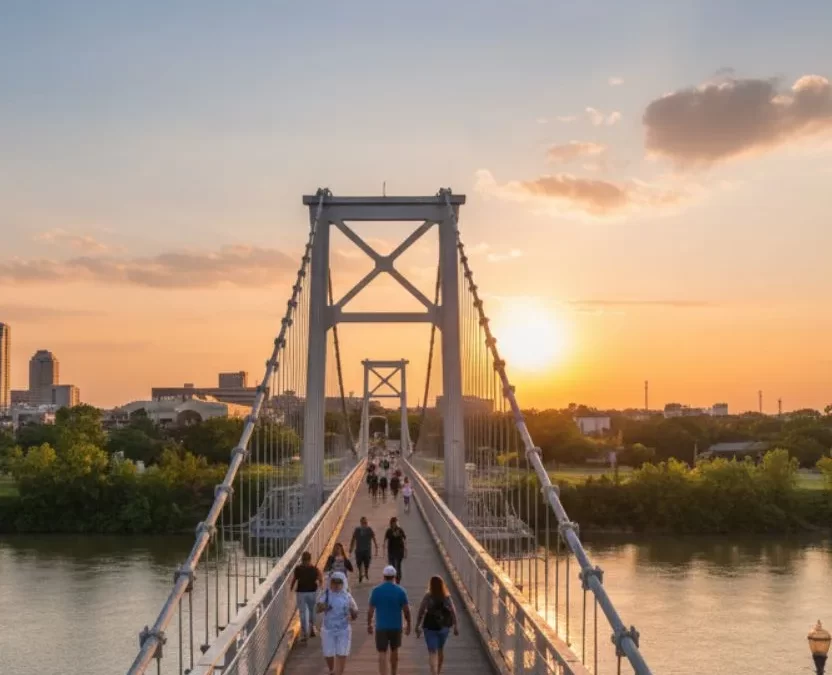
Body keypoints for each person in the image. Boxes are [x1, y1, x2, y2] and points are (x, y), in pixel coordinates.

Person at [368, 565, 411, 675]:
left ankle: (383, 673)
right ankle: (393, 672)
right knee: (394, 649)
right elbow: (406, 610)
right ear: (394, 577)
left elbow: (371, 610)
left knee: (382, 651)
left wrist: (369, 624)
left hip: (381, 626)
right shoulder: (401, 591)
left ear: (383, 576)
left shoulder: (376, 591)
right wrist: (409, 624)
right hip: (396, 626)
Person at [415, 576, 459, 675]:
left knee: (432, 651)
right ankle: (438, 671)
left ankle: (433, 672)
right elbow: (453, 611)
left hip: (429, 626)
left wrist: (417, 625)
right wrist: (456, 626)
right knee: (440, 649)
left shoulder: (428, 596)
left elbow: (421, 610)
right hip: (444, 626)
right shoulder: (446, 597)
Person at [317, 571, 358, 675]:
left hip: (343, 628)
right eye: (333, 582)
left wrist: (352, 614)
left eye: (338, 583)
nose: (335, 585)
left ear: (343, 583)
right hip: (328, 628)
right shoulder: (326, 594)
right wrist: (325, 607)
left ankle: (339, 672)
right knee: (328, 652)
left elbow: (355, 611)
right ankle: (332, 670)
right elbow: (318, 608)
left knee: (342, 652)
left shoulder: (347, 596)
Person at [291, 550, 324, 643]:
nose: (305, 562)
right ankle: (308, 630)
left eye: (305, 560)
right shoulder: (313, 568)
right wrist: (321, 585)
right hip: (308, 593)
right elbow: (320, 577)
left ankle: (309, 630)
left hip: (305, 593)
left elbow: (294, 579)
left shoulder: (303, 568)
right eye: (304, 560)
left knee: (306, 612)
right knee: (308, 611)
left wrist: (291, 588)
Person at [349, 516, 379, 583]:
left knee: (367, 562)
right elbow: (353, 539)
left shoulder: (369, 529)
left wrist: (376, 546)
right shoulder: (357, 530)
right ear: (361, 523)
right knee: (359, 563)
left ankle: (366, 572)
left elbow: (373, 538)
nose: (364, 524)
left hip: (367, 550)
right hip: (359, 550)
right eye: (363, 523)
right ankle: (360, 573)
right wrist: (351, 548)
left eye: (365, 522)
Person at [383, 516, 407, 583]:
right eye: (393, 523)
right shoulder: (389, 531)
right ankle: (393, 579)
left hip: (399, 551)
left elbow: (404, 539)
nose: (395, 524)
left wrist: (405, 550)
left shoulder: (400, 530)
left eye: (396, 522)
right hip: (391, 551)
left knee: (398, 565)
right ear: (391, 523)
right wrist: (384, 549)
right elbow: (385, 540)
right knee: (392, 566)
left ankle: (398, 580)